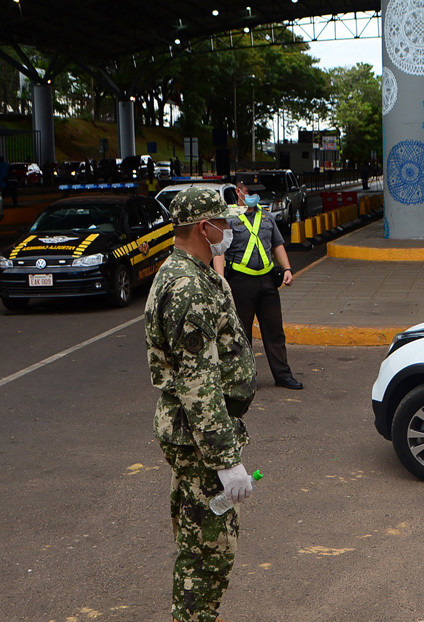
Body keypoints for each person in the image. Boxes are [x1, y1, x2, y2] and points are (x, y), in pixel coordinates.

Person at [144, 186, 258, 622]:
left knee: (202, 540)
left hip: (198, 435)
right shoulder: (188, 286)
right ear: (203, 227)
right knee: (209, 551)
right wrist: (225, 461)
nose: (228, 230)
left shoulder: (196, 271)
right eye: (223, 223)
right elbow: (199, 383)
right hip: (199, 438)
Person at [212, 183, 303, 390]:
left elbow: (277, 244)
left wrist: (287, 269)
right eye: (249, 192)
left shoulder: (267, 217)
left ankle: (282, 375)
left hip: (267, 282)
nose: (253, 195)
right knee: (241, 334)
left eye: (256, 192)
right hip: (241, 282)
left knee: (275, 332)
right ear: (238, 191)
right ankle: (244, 378)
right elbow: (219, 251)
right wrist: (221, 280)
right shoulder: (229, 218)